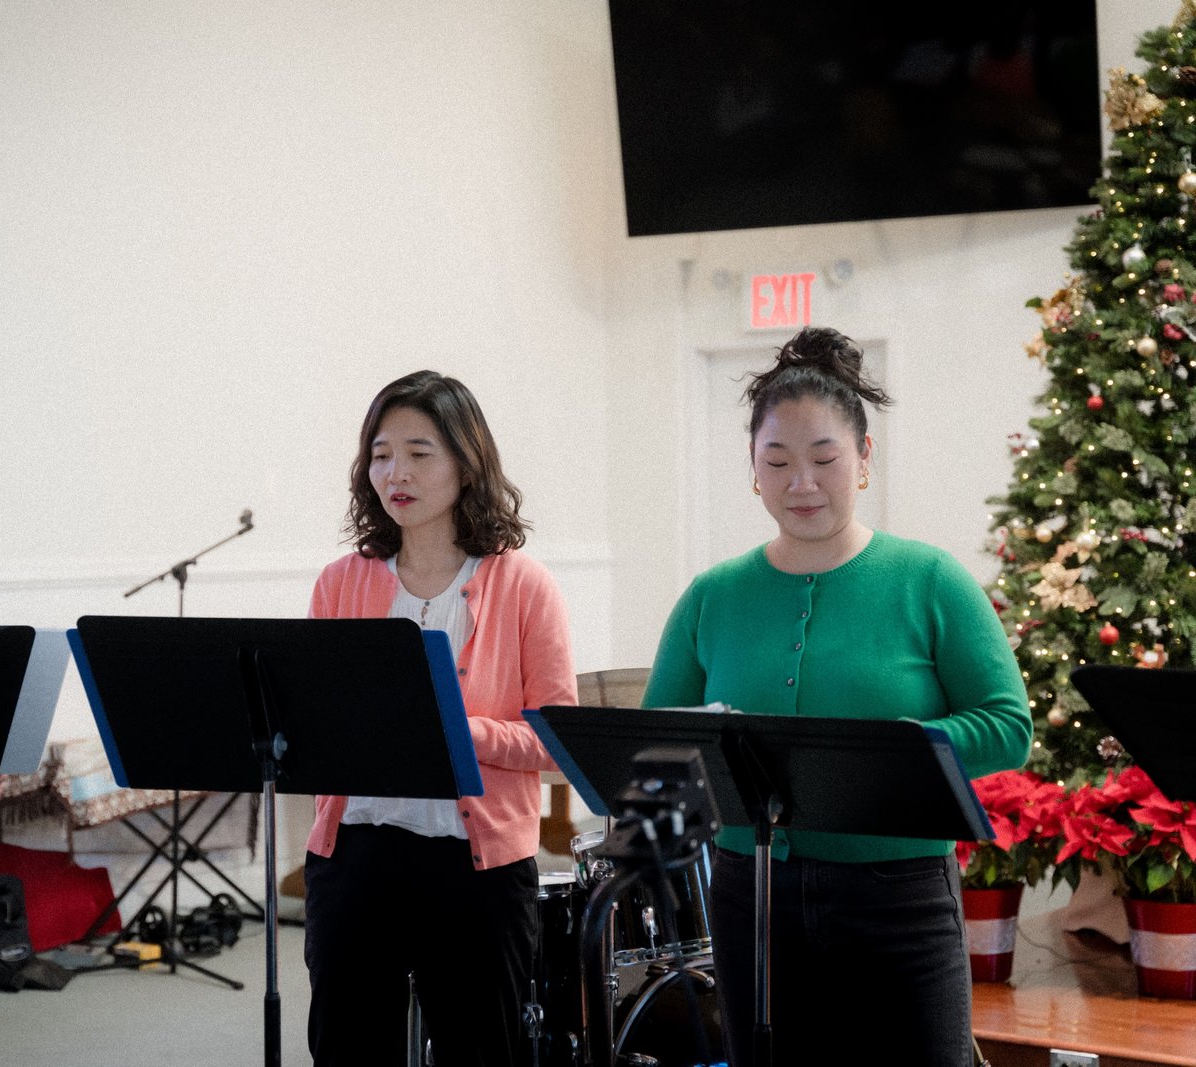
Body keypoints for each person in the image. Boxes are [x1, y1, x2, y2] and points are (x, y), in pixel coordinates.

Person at [641, 326, 1031, 1066]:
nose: (801, 484)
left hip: (901, 896)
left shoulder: (930, 579)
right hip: (751, 894)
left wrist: (890, 755)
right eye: (776, 462)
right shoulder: (712, 596)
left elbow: (1008, 725)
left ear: (864, 457)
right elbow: (658, 738)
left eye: (824, 459)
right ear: (752, 468)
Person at [304, 370, 578, 1067]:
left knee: (481, 1050)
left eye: (418, 453)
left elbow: (556, 740)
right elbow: (317, 720)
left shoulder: (524, 584)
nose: (395, 473)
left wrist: (459, 729)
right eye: (381, 454)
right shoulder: (340, 582)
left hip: (475, 868)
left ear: (466, 461)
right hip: (355, 856)